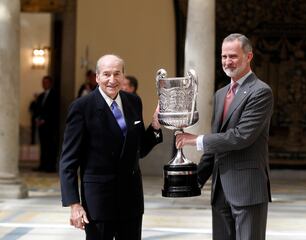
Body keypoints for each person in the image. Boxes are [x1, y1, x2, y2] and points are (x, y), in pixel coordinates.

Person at [176, 33, 273, 240]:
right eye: (223, 56)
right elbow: (218, 142)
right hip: (220, 193)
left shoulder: (261, 92)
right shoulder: (221, 94)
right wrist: (194, 181)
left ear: (249, 57)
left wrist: (196, 139)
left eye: (233, 56)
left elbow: (241, 137)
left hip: (247, 191)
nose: (227, 61)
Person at [59, 54, 162, 240]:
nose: (112, 80)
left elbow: (139, 150)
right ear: (97, 77)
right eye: (106, 74)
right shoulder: (82, 107)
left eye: (117, 74)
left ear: (123, 76)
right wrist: (74, 204)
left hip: (131, 200)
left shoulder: (134, 102)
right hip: (98, 203)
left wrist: (154, 127)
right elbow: (68, 161)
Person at [34, 75, 59, 172]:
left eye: (46, 82)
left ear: (50, 83)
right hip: (41, 126)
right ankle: (42, 165)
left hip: (50, 126)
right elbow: (37, 110)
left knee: (50, 146)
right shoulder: (41, 96)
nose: (44, 84)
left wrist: (44, 120)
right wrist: (37, 119)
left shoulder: (54, 95)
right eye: (43, 82)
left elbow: (53, 110)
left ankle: (51, 166)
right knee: (43, 146)